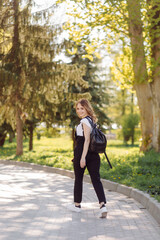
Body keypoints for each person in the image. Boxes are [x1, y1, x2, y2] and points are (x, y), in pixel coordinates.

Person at [68, 98, 107, 218]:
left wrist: (82, 157)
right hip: (94, 155)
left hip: (82, 154)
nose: (79, 111)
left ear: (87, 108)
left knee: (78, 179)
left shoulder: (84, 121)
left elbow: (86, 140)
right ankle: (102, 205)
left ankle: (77, 205)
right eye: (78, 109)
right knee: (96, 180)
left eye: (82, 108)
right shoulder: (91, 120)